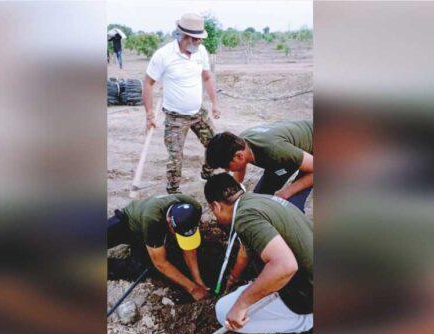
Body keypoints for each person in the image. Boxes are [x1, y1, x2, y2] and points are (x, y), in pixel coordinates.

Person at [204, 173, 313, 334]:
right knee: (258, 273)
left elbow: (285, 265)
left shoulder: (244, 217)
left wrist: (242, 304)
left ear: (215, 206)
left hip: (310, 290)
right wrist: (233, 278)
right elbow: (245, 252)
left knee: (224, 312)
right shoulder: (256, 200)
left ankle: (309, 324)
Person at [143, 13, 221, 194]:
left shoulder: (200, 52)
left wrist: (215, 104)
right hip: (175, 118)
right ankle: (173, 192)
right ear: (186, 37)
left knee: (215, 145)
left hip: (198, 113)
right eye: (197, 39)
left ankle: (207, 173)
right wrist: (149, 115)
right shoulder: (163, 55)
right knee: (175, 158)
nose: (200, 43)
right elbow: (148, 83)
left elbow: (207, 77)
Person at [107, 194, 209, 301]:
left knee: (139, 267)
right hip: (128, 223)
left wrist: (198, 280)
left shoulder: (194, 208)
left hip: (153, 227)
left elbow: (189, 248)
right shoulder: (153, 219)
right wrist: (193, 289)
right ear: (170, 223)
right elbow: (161, 263)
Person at [205, 120, 313, 212]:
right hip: (292, 151)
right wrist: (235, 193)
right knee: (259, 197)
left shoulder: (275, 150)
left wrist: (285, 194)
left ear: (239, 156)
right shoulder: (241, 144)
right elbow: (240, 169)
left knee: (290, 205)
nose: (227, 170)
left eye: (227, 167)